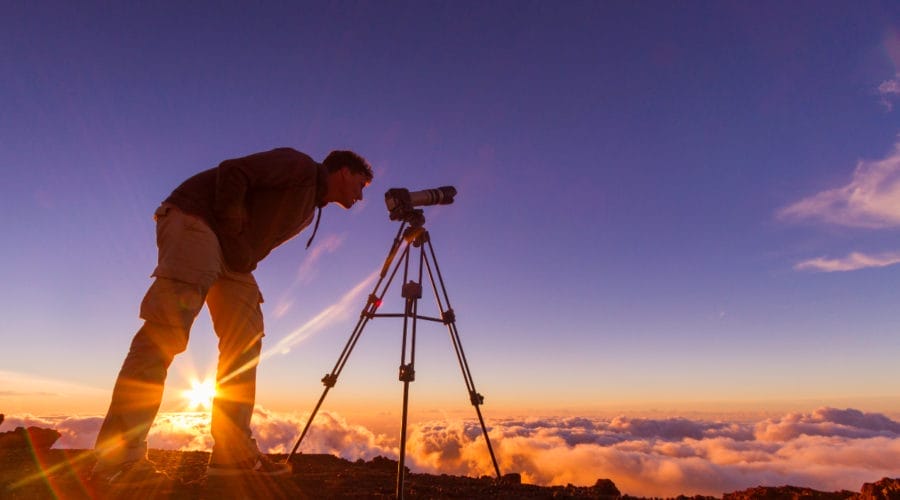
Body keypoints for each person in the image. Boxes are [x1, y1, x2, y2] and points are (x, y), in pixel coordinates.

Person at [91, 147, 373, 488]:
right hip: (197, 220)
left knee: (246, 338)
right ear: (343, 172)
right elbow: (233, 172)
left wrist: (240, 251)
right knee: (165, 333)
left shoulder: (310, 210)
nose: (360, 195)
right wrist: (234, 228)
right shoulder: (298, 166)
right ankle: (118, 459)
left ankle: (232, 455)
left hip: (230, 253)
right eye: (360, 184)